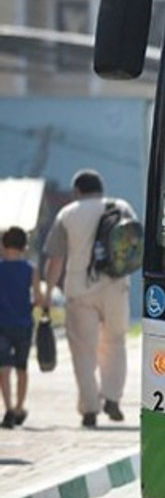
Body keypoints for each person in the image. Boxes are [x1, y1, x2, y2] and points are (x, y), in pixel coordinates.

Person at [41, 170, 134, 428]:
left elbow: (55, 259)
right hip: (116, 286)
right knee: (115, 342)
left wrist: (48, 293)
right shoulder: (121, 207)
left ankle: (90, 408)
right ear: (100, 189)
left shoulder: (68, 214)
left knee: (83, 351)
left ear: (78, 191)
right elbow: (134, 245)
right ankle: (113, 397)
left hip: (80, 290)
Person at [1, 226, 42, 429]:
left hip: (1, 324)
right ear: (25, 246)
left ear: (3, 245)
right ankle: (19, 407)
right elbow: (38, 297)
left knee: (4, 368)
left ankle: (7, 408)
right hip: (23, 324)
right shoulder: (30, 269)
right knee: (21, 368)